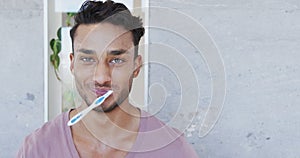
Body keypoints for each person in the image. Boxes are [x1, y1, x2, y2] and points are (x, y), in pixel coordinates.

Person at [16, 0, 199, 157]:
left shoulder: (174, 150)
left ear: (136, 66)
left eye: (116, 60)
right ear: (72, 64)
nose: (101, 77)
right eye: (87, 59)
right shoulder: (37, 149)